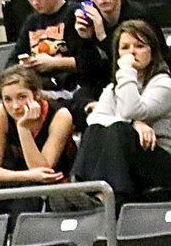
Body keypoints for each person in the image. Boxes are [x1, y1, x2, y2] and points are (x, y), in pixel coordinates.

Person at [70, 19, 171, 209]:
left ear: (152, 51)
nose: (131, 52)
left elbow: (131, 109)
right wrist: (135, 123)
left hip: (161, 158)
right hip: (130, 162)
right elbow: (95, 119)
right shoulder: (113, 87)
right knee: (95, 130)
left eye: (139, 46)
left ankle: (110, 197)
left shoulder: (164, 83)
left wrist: (126, 71)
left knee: (119, 129)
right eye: (125, 47)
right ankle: (84, 189)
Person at [0, 65, 75, 218]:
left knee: (28, 197)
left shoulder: (60, 116)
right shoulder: (0, 113)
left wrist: (23, 128)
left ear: (36, 94)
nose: (15, 106)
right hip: (18, 181)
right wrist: (29, 176)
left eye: (22, 97)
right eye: (7, 99)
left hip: (53, 185)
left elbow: (42, 170)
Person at [73, 0, 166, 103]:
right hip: (107, 82)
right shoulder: (88, 18)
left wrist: (102, 36)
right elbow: (87, 74)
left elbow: (130, 62)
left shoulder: (138, 16)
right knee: (80, 98)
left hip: (143, 79)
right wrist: (85, 39)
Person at [7, 0, 85, 97]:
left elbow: (91, 62)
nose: (34, 2)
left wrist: (56, 63)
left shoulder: (75, 13)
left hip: (73, 87)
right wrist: (25, 65)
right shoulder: (32, 21)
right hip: (40, 87)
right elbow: (11, 63)